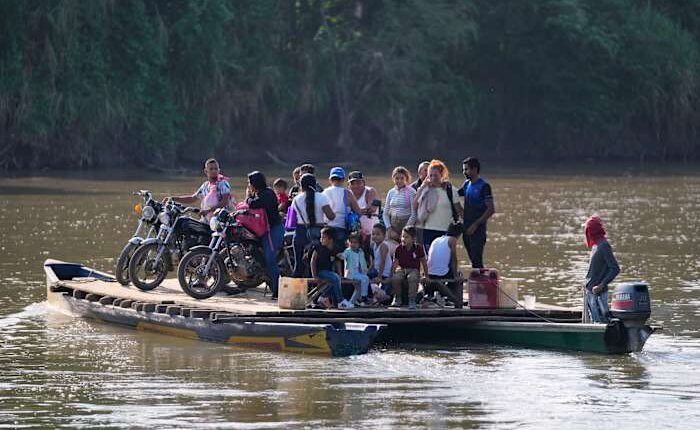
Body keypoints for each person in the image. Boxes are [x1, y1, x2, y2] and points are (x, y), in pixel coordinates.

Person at [246, 171, 284, 299]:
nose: (248, 185)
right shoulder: (261, 193)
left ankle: (278, 291)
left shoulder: (267, 194)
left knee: (270, 260)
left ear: (255, 184)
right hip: (265, 230)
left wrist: (248, 196)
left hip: (273, 230)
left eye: (249, 183)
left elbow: (252, 204)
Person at [290, 174, 335, 277]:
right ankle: (316, 290)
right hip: (318, 233)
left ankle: (296, 290)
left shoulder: (296, 199)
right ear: (315, 184)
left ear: (301, 185)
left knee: (299, 265)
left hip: (300, 232)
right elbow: (331, 216)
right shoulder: (322, 197)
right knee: (316, 264)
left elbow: (291, 220)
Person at [414, 160, 462, 252]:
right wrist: (422, 187)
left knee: (445, 260)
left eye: (435, 175)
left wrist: (467, 225)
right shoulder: (425, 190)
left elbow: (459, 211)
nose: (433, 178)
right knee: (430, 262)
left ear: (442, 174)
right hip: (427, 231)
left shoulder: (450, 190)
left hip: (446, 232)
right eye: (430, 175)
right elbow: (415, 205)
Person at [167, 158, 234, 222]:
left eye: (216, 169)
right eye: (211, 169)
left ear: (219, 170)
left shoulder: (223, 183)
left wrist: (208, 210)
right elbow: (192, 198)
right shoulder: (205, 186)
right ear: (206, 171)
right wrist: (172, 198)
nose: (214, 171)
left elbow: (225, 201)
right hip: (207, 219)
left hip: (221, 222)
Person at [459, 157, 495, 268]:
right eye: (463, 170)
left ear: (475, 169)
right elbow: (454, 194)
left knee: (477, 260)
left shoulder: (484, 186)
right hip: (466, 228)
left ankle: (483, 282)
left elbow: (491, 210)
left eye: (467, 169)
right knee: (473, 261)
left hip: (478, 230)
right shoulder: (466, 184)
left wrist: (475, 224)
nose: (464, 172)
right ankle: (479, 280)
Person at [583, 215, 620, 323]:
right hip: (590, 294)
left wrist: (601, 285)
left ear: (590, 231)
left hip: (597, 295)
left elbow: (615, 269)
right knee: (594, 323)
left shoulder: (603, 246)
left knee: (601, 323)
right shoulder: (596, 245)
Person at [322, 167, 363, 255]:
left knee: (327, 255)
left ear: (330, 179)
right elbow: (358, 212)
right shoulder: (347, 193)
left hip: (326, 229)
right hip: (341, 229)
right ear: (343, 179)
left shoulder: (324, 192)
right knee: (340, 255)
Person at [310, 228, 353, 309]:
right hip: (320, 271)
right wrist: (314, 276)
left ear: (330, 239)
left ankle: (324, 297)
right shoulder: (318, 248)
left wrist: (340, 274)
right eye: (321, 237)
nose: (321, 240)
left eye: (323, 238)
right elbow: (313, 261)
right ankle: (341, 301)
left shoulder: (334, 249)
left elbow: (337, 262)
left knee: (335, 281)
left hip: (329, 272)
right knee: (335, 278)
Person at [426, 223, 463, 306]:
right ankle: (455, 300)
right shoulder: (452, 240)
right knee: (459, 275)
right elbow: (454, 260)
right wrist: (456, 275)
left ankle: (441, 296)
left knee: (449, 270)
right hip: (441, 274)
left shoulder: (437, 239)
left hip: (430, 273)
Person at [391, 226, 427, 309]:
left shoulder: (418, 248)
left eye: (406, 237)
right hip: (402, 269)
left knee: (412, 278)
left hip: (414, 270)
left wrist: (426, 275)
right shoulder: (399, 248)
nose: (403, 239)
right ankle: (397, 298)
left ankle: (412, 300)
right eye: (403, 236)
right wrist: (391, 275)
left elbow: (424, 262)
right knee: (396, 278)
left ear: (413, 238)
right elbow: (395, 263)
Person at [383, 166, 417, 243]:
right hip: (393, 225)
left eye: (402, 178)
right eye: (397, 178)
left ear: (406, 179)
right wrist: (389, 228)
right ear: (393, 179)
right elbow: (385, 213)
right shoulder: (391, 192)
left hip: (406, 224)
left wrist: (405, 231)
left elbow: (414, 214)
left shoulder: (411, 192)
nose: (399, 181)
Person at [347, 170, 380, 244]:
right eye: (352, 183)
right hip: (354, 234)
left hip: (372, 233)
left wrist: (354, 211)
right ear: (348, 185)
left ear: (364, 183)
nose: (355, 186)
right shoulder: (347, 194)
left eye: (358, 182)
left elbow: (371, 209)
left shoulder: (370, 191)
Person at [339, 233, 370, 305]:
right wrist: (339, 255)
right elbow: (343, 256)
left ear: (359, 244)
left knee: (358, 289)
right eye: (351, 242)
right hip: (350, 274)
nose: (353, 244)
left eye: (355, 242)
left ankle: (351, 303)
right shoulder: (348, 251)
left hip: (358, 273)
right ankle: (364, 297)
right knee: (365, 278)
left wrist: (365, 270)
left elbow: (363, 262)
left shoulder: (360, 252)